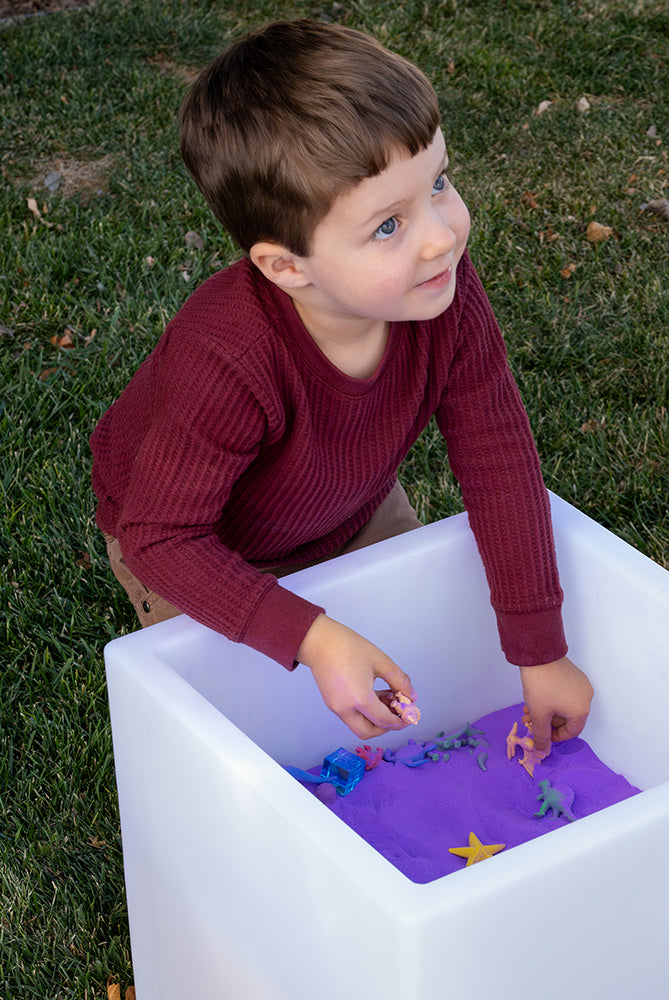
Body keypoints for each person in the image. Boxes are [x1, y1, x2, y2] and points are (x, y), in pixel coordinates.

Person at [90, 19, 593, 753]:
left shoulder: (438, 290)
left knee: (411, 652)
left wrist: (539, 648)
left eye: (440, 184)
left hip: (346, 502)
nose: (441, 236)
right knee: (254, 731)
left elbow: (496, 455)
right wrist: (313, 636)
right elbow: (161, 537)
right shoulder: (227, 355)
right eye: (389, 226)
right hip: (199, 539)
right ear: (287, 267)